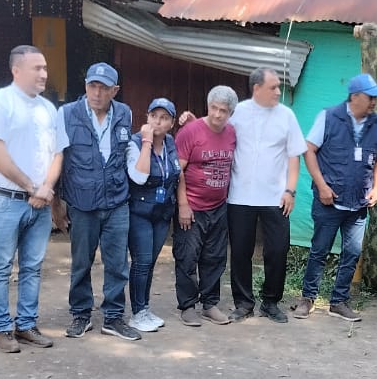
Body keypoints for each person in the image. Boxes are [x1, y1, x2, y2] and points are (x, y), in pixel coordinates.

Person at [0, 45, 67, 353]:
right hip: (7, 200)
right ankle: (1, 328)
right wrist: (32, 186)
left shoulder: (48, 109)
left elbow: (57, 153)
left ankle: (26, 325)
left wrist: (47, 187)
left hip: (39, 201)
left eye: (44, 68)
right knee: (1, 266)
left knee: (33, 266)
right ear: (16, 70)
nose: (43, 73)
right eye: (36, 68)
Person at [57, 62, 139, 342]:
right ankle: (81, 314)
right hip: (82, 202)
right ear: (85, 86)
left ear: (115, 91)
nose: (97, 93)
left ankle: (114, 317)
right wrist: (57, 202)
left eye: (104, 88)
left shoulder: (125, 113)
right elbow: (57, 156)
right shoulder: (67, 114)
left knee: (118, 263)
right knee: (81, 261)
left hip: (117, 200)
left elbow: (128, 152)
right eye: (92, 86)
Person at [294, 73, 377, 322]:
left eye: (376, 97)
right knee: (319, 251)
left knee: (352, 253)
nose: (374, 101)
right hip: (330, 200)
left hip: (358, 203)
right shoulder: (329, 117)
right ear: (355, 97)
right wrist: (322, 186)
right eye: (370, 97)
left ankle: (338, 301)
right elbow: (309, 150)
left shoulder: (376, 123)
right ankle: (308, 298)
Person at [227, 68, 305, 323]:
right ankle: (243, 303)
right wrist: (191, 119)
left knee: (278, 250)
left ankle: (270, 301)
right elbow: (214, 132)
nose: (278, 92)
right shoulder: (237, 112)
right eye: (273, 87)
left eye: (278, 86)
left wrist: (290, 190)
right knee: (240, 251)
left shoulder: (287, 116)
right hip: (240, 195)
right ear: (256, 88)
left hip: (275, 197)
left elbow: (294, 156)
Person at [174, 85, 238, 327]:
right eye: (214, 108)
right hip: (192, 205)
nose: (218, 114)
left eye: (224, 110)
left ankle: (209, 304)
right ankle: (188, 306)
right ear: (208, 106)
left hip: (219, 206)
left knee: (215, 257)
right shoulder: (190, 132)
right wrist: (183, 204)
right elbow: (177, 170)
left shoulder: (232, 132)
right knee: (187, 257)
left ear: (230, 113)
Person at [127, 97, 182, 332]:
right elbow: (139, 176)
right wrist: (147, 142)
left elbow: (176, 172)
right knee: (141, 262)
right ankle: (137, 313)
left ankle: (144, 308)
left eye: (164, 118)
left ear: (171, 123)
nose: (158, 121)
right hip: (139, 212)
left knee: (150, 263)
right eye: (154, 116)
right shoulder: (135, 143)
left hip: (161, 212)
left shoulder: (170, 143)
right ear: (147, 118)